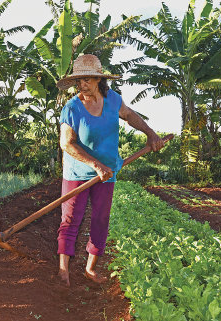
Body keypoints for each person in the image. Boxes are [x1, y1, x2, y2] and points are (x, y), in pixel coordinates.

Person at [56, 54, 164, 287]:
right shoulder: (72, 108)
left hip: (108, 174)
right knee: (70, 219)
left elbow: (130, 116)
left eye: (86, 80)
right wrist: (95, 165)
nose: (82, 85)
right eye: (78, 81)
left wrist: (151, 133)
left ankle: (90, 269)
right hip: (78, 174)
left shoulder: (113, 100)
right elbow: (66, 144)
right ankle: (63, 270)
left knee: (101, 219)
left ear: (98, 79)